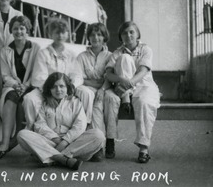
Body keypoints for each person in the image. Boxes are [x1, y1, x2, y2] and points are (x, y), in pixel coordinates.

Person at [17, 72, 105, 170]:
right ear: (49, 89)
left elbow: (80, 125)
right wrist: (55, 139)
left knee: (98, 135)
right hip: (50, 142)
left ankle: (51, 157)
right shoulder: (45, 104)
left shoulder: (75, 102)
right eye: (54, 87)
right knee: (22, 134)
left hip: (72, 143)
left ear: (67, 87)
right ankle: (64, 159)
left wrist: (65, 141)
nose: (58, 90)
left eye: (61, 86)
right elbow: (40, 125)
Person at [22, 18, 95, 130]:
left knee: (87, 93)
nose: (60, 35)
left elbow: (77, 75)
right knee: (29, 99)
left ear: (67, 34)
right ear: (50, 34)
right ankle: (34, 129)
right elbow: (39, 77)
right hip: (48, 89)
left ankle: (85, 127)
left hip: (66, 89)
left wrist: (70, 88)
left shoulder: (70, 54)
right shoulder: (44, 54)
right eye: (57, 32)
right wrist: (50, 93)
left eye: (63, 32)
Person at [104, 21, 160, 163]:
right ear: (120, 37)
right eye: (124, 33)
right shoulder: (117, 53)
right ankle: (110, 140)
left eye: (131, 32)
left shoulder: (145, 49)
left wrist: (129, 84)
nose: (128, 35)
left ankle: (143, 149)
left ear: (137, 34)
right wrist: (121, 79)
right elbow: (108, 74)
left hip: (143, 85)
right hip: (122, 88)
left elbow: (143, 70)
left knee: (144, 102)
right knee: (124, 58)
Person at [0, 16, 40, 160]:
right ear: (11, 31)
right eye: (15, 29)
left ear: (27, 30)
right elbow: (5, 75)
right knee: (11, 97)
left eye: (22, 28)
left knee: (28, 101)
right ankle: (5, 142)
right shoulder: (5, 51)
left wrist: (26, 85)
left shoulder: (35, 48)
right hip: (14, 86)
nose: (19, 31)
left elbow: (38, 72)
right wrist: (16, 85)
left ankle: (26, 140)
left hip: (32, 85)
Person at [76, 23, 114, 160]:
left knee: (98, 104)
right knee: (91, 101)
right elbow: (79, 78)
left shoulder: (110, 56)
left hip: (106, 89)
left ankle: (98, 146)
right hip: (88, 90)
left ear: (104, 37)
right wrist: (94, 83)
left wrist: (102, 88)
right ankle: (93, 146)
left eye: (99, 34)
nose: (95, 37)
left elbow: (110, 78)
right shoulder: (81, 56)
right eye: (92, 34)